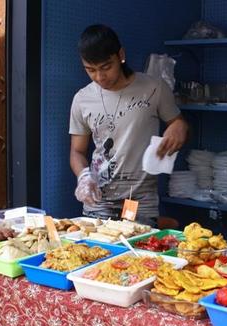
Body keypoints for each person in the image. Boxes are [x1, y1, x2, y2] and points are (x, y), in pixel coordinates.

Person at [69, 24, 188, 225]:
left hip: (139, 199)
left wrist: (179, 127)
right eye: (91, 70)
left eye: (106, 67)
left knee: (139, 253)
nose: (99, 77)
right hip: (98, 201)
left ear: (121, 55)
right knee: (99, 253)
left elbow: (178, 123)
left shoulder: (154, 88)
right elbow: (77, 152)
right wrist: (83, 177)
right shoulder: (82, 99)